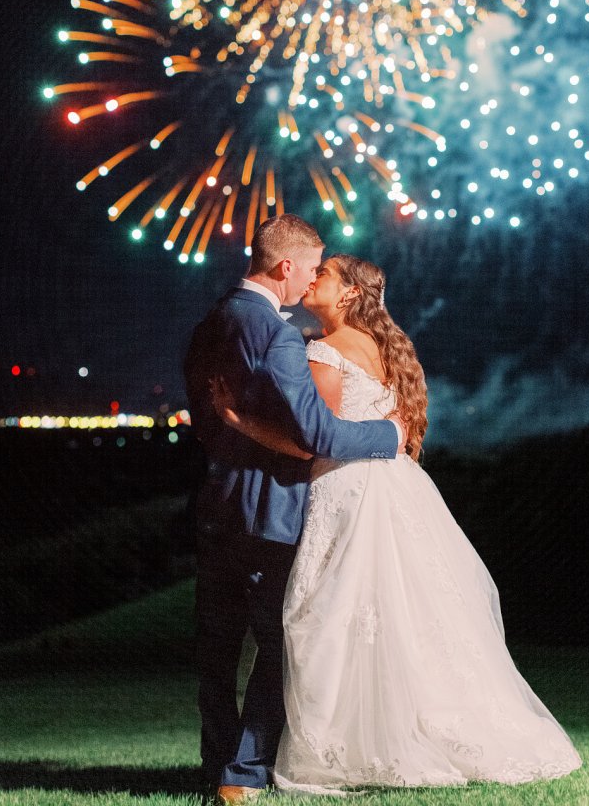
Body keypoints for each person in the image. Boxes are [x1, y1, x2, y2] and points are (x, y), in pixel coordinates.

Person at [211, 254, 583, 791]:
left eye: (327, 274)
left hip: (348, 489)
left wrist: (241, 421)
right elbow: (392, 432)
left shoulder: (325, 351)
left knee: (332, 614)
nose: (313, 279)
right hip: (398, 487)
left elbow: (313, 440)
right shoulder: (388, 349)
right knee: (405, 614)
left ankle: (349, 747)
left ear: (348, 294)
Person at [183, 218, 404, 805]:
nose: (311, 279)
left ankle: (217, 764)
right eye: (311, 266)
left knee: (216, 646)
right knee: (282, 647)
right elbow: (317, 434)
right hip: (270, 508)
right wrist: (388, 437)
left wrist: (233, 431)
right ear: (286, 266)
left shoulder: (213, 322)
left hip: (215, 503)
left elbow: (205, 417)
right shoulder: (278, 335)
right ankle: (244, 772)